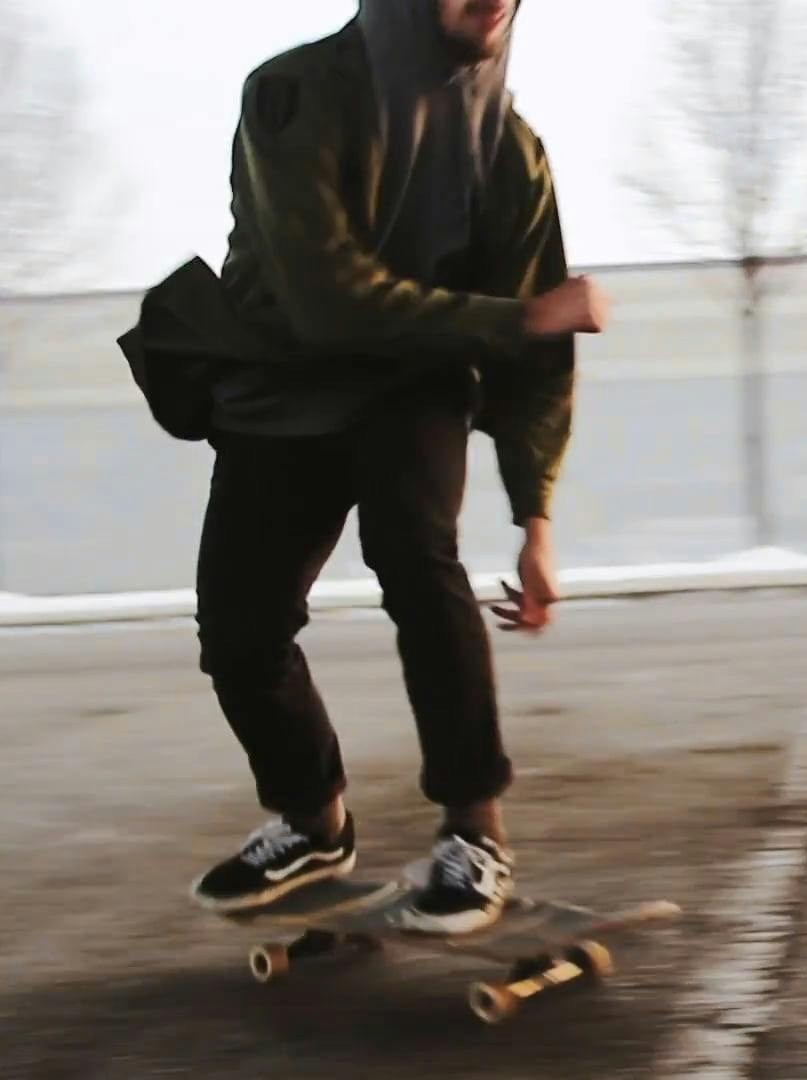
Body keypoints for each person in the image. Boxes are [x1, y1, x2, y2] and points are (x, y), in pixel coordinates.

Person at [117, 0, 605, 934]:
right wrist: (513, 319)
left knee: (419, 565)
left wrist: (535, 517)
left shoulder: (510, 153)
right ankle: (313, 821)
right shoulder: (293, 96)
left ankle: (474, 831)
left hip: (412, 387)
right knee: (238, 630)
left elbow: (542, 349)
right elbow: (327, 297)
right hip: (283, 380)